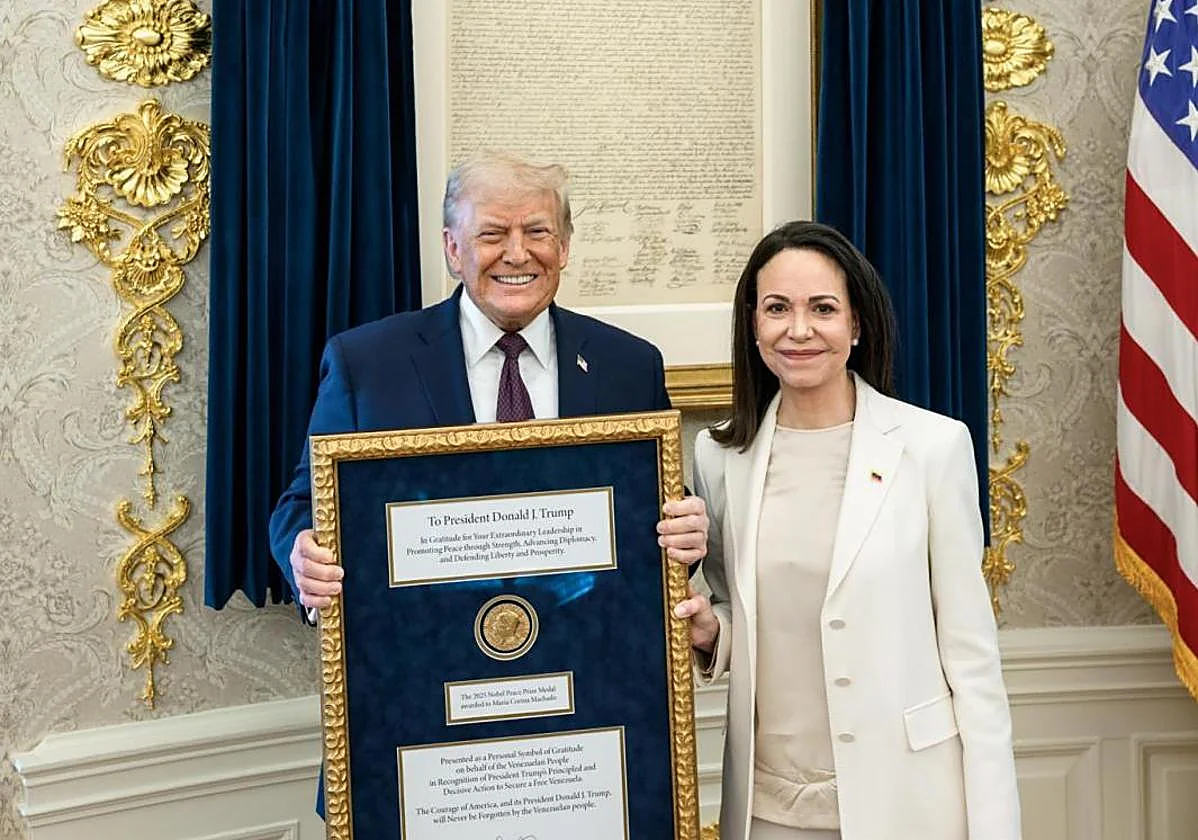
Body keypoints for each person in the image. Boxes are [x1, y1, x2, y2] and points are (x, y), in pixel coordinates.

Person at [674, 221, 1021, 840]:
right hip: (767, 808)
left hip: (908, 801)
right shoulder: (720, 456)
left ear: (856, 325)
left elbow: (972, 657)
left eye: (823, 309)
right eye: (777, 308)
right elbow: (738, 607)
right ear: (753, 325)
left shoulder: (933, 447)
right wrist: (709, 631)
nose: (798, 330)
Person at [269, 151, 708, 611]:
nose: (517, 254)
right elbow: (304, 504)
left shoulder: (629, 365)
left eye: (537, 232)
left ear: (563, 247)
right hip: (424, 640)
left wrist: (686, 533)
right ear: (453, 249)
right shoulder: (367, 365)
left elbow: (656, 510)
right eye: (492, 234)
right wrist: (305, 557)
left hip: (586, 638)